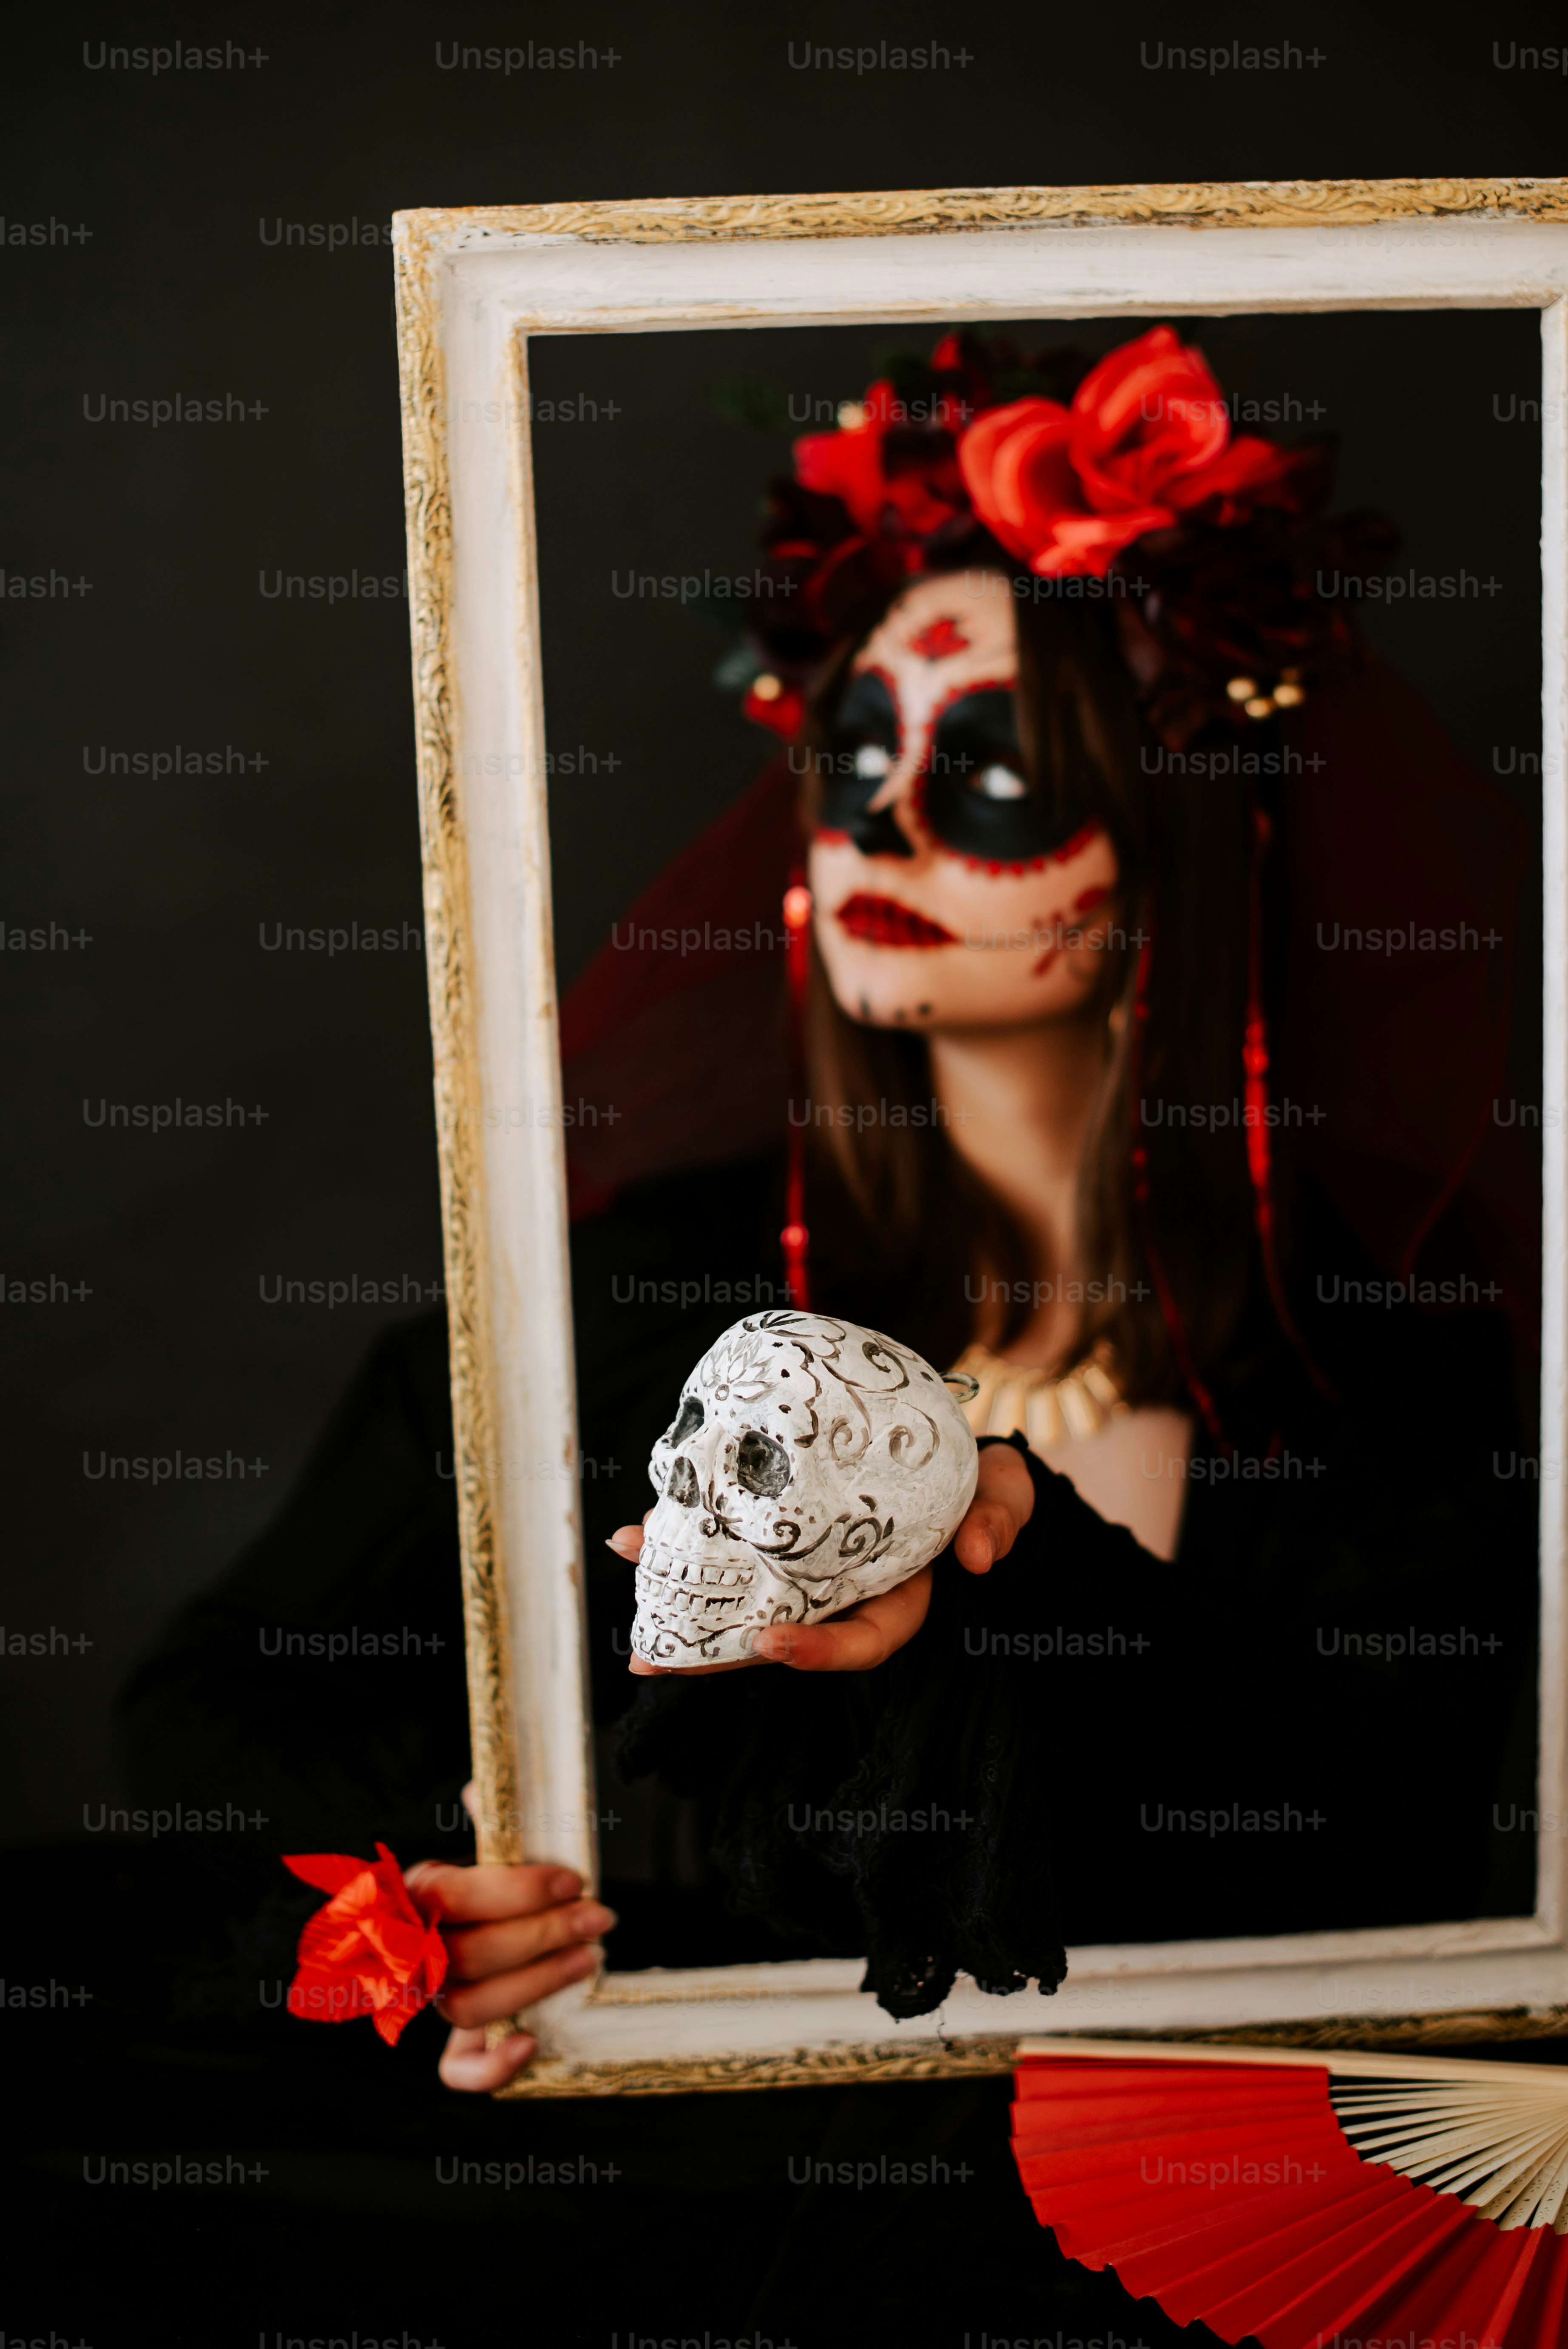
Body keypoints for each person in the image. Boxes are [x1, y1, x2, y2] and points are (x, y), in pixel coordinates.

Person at [124, 326, 1539, 2101]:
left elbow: (1367, 1888)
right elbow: (210, 1718)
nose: (879, 825)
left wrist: (1011, 1595)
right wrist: (442, 1896)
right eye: (854, 753)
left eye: (995, 776)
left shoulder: (1377, 1353)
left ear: (1183, 829)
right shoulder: (637, 1299)